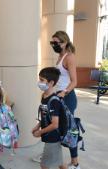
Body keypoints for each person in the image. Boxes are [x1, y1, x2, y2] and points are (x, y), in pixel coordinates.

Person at [51, 31, 79, 169]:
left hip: (67, 97)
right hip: (59, 96)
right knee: (60, 129)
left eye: (57, 42)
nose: (54, 45)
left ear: (65, 42)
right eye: (52, 43)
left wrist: (63, 93)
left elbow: (74, 82)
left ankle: (75, 163)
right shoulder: (60, 56)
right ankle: (54, 157)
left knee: (69, 130)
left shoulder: (69, 57)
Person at [32, 67, 66, 169]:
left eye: (42, 80)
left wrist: (40, 132)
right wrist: (38, 126)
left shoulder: (54, 101)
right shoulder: (44, 96)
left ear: (51, 83)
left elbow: (55, 124)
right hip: (49, 136)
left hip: (53, 138)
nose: (39, 82)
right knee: (60, 163)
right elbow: (45, 115)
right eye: (39, 79)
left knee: (44, 165)